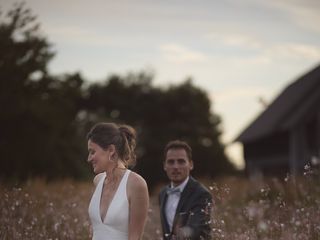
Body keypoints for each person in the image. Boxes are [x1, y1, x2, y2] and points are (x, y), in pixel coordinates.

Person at [87, 122, 149, 240]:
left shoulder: (136, 184)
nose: (89, 158)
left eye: (92, 152)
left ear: (111, 150)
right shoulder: (98, 181)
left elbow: (135, 237)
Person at [159, 140, 212, 240]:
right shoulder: (162, 193)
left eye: (181, 161)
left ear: (191, 164)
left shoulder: (202, 194)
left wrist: (183, 232)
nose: (175, 166)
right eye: (171, 162)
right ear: (164, 166)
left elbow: (196, 227)